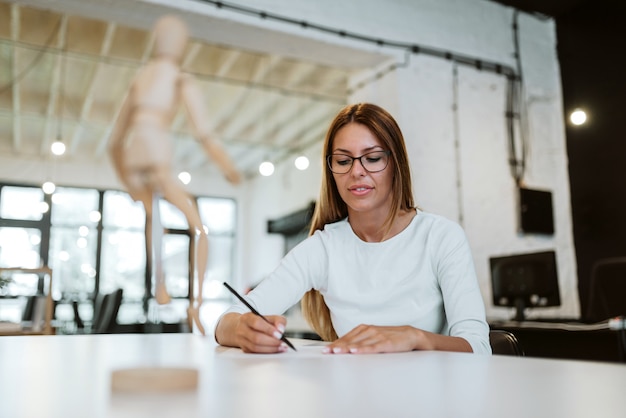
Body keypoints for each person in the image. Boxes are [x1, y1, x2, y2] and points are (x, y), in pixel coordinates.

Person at [215, 103, 491, 354]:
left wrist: (416, 338)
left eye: (372, 158)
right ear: (331, 170)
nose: (357, 171)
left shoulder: (440, 237)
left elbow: (477, 346)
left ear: (396, 164)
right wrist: (243, 330)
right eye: (343, 161)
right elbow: (228, 320)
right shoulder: (324, 248)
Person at [108, 15, 240, 335]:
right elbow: (204, 133)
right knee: (199, 229)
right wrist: (228, 167)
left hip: (134, 158)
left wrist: (128, 184)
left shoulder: (139, 79)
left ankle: (161, 286)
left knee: (155, 219)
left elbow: (113, 144)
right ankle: (195, 303)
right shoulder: (180, 78)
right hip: (156, 156)